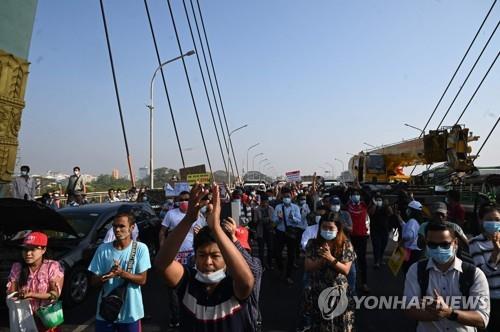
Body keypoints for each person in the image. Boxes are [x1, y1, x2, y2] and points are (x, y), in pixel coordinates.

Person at [154, 183, 255, 331]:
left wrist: (216, 227)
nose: (208, 262)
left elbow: (247, 281)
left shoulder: (232, 286)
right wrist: (189, 218)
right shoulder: (188, 281)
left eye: (215, 256)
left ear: (226, 258)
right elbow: (161, 265)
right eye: (202, 255)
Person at [404, 223, 490, 331]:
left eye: (444, 244)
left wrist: (449, 313)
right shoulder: (416, 270)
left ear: (455, 243)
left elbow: (482, 319)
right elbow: (409, 308)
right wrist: (438, 313)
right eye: (432, 245)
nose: (438, 249)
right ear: (426, 244)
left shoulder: (474, 274)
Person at [88, 212, 151, 331]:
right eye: (115, 226)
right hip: (105, 312)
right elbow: (93, 281)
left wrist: (121, 273)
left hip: (130, 313)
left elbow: (142, 280)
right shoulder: (103, 249)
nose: (117, 229)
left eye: (122, 226)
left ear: (132, 228)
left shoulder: (140, 248)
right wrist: (107, 275)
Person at [158, 190, 203, 328]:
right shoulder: (171, 214)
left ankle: (193, 315)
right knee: (173, 288)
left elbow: (204, 235)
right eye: (181, 199)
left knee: (193, 285)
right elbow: (162, 232)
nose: (184, 201)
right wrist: (163, 249)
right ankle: (175, 317)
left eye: (187, 199)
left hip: (192, 256)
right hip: (175, 257)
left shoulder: (199, 215)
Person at [304, 212, 355, 331]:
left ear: (338, 229)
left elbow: (346, 270)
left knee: (339, 325)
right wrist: (322, 259)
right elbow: (308, 267)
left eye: (331, 228)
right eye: (324, 227)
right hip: (317, 291)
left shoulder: (345, 244)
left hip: (338, 292)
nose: (327, 230)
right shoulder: (312, 244)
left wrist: (330, 258)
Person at [6, 232, 65, 332]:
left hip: (47, 319)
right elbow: (11, 292)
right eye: (25, 249)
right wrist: (18, 293)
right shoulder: (17, 267)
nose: (28, 253)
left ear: (43, 250)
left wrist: (33, 294)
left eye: (32, 249)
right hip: (24, 319)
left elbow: (55, 295)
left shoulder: (52, 266)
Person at [222, 217, 263, 332]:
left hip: (248, 321)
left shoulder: (256, 263)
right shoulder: (223, 264)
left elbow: (254, 270)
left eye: (243, 250)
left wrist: (234, 239)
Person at [469, 203, 499, 331]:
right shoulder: (475, 243)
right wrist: (495, 254)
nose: (494, 223)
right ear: (481, 220)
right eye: (489, 220)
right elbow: (481, 274)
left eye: (497, 220)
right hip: (491, 299)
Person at [272, 189, 302, 284]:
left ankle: (288, 275)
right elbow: (274, 221)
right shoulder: (278, 207)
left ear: (291, 197)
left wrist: (292, 218)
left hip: (291, 233)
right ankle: (281, 268)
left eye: (288, 197)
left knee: (291, 255)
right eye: (285, 197)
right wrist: (279, 219)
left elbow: (299, 220)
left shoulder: (296, 207)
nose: (286, 199)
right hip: (280, 232)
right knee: (277, 253)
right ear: (282, 198)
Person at [347, 188, 370, 293]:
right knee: (349, 260)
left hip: (362, 236)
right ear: (350, 196)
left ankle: (364, 283)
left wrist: (360, 187)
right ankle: (351, 283)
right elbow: (344, 197)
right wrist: (349, 189)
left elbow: (370, 197)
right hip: (350, 237)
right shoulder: (347, 206)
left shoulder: (364, 205)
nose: (356, 196)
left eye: (358, 194)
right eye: (354, 194)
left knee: (362, 260)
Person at [369, 193, 392, 268]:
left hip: (384, 230)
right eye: (377, 200)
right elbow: (371, 213)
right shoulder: (372, 207)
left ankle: (381, 259)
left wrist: (387, 205)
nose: (379, 201)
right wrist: (375, 205)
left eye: (380, 200)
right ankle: (376, 262)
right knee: (376, 246)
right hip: (375, 231)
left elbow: (390, 213)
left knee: (383, 245)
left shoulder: (385, 207)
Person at [401, 200, 424, 274]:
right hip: (417, 251)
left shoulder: (412, 221)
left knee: (408, 271)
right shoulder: (418, 221)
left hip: (410, 251)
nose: (407, 210)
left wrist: (402, 241)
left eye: (409, 209)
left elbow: (408, 235)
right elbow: (407, 227)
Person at [254, 195, 275, 269]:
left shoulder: (271, 209)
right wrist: (261, 220)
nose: (265, 203)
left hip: (269, 231)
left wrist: (269, 220)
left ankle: (270, 264)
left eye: (267, 202)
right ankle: (262, 265)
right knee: (261, 250)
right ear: (261, 202)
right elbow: (255, 221)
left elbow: (273, 220)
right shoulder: (256, 209)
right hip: (261, 231)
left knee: (270, 248)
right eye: (264, 202)